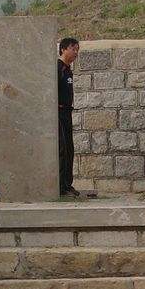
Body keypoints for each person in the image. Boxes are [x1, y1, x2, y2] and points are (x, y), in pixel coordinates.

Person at [58, 37, 81, 197]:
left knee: (69, 150)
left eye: (77, 50)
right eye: (73, 49)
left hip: (67, 112)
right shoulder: (57, 68)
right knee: (62, 149)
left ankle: (67, 183)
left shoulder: (68, 69)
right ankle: (60, 186)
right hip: (58, 113)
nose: (75, 53)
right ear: (64, 49)